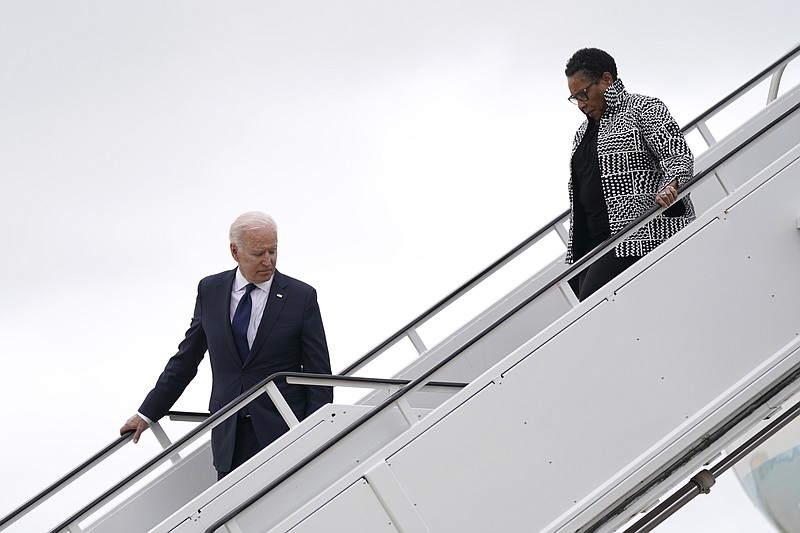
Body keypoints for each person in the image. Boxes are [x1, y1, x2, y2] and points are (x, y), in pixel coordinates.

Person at [120, 211, 333, 479]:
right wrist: (147, 413)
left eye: (273, 250)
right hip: (228, 434)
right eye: (258, 253)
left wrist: (316, 430)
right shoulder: (210, 290)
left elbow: (318, 374)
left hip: (284, 428)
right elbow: (187, 358)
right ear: (235, 251)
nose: (268, 261)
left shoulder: (301, 297)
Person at [564, 47, 696, 301]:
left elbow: (677, 155)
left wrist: (671, 185)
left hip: (638, 233)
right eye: (575, 98)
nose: (581, 105)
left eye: (583, 94)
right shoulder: (582, 133)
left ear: (606, 80)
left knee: (593, 305)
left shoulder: (643, 108)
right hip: (591, 246)